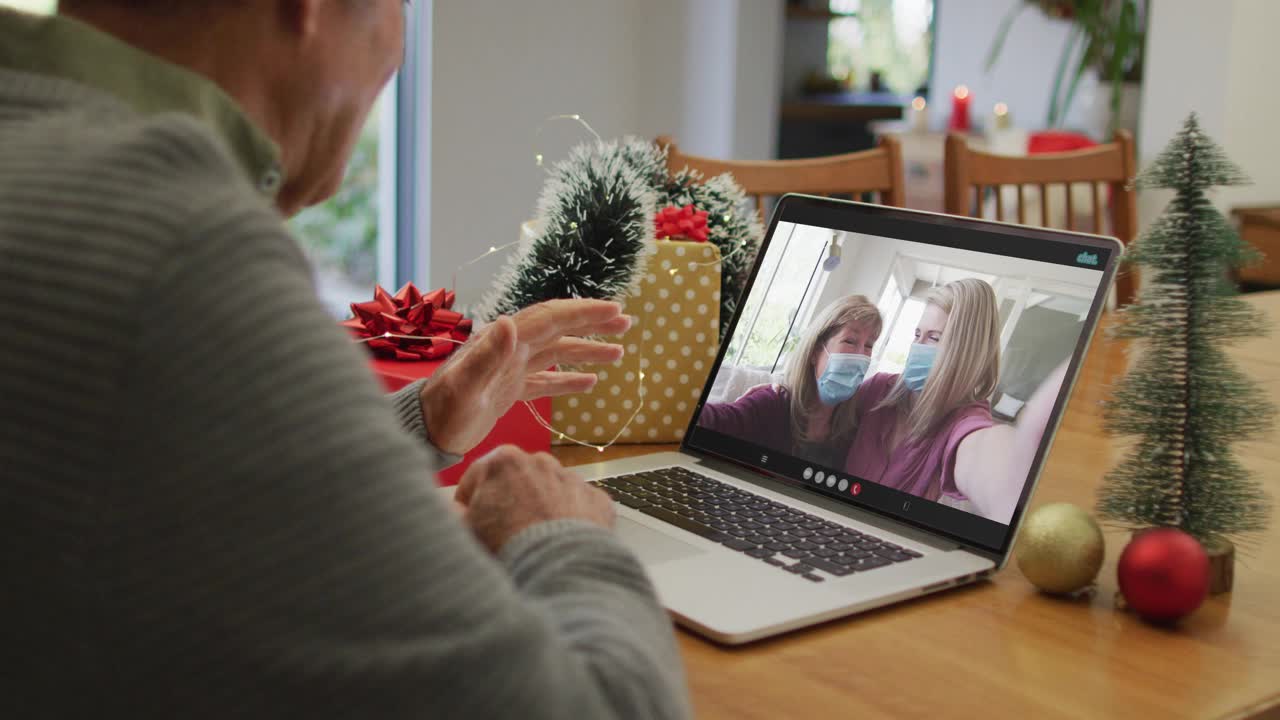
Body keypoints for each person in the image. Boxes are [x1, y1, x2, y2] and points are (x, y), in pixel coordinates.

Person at [0, 3, 689, 718]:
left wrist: (422, 421)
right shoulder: (179, 247)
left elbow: (170, 474)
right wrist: (558, 532)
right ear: (313, 9)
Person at [842, 278, 1065, 524]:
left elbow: (981, 453)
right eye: (918, 334)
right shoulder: (878, 388)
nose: (916, 347)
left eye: (934, 338)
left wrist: (1013, 482)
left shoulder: (965, 421)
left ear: (965, 352)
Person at [698, 295, 882, 468]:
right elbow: (710, 419)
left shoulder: (851, 434)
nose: (860, 355)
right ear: (815, 351)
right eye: (850, 341)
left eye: (869, 346)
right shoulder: (774, 402)